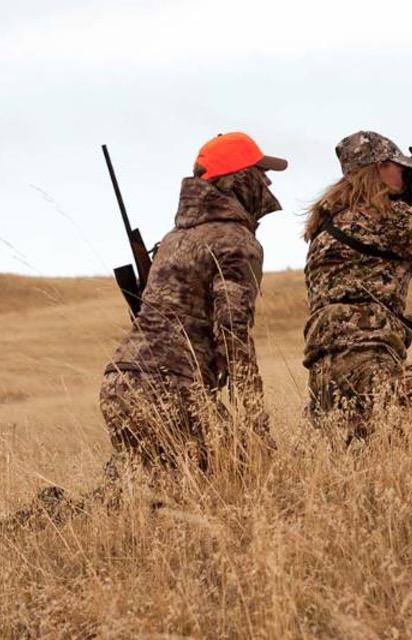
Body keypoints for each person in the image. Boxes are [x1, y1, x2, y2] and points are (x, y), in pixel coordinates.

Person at [100, 131, 287, 472]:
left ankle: (50, 517)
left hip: (119, 384)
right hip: (171, 385)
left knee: (142, 490)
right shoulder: (235, 242)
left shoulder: (173, 240)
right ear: (241, 180)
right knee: (241, 472)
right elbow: (233, 335)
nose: (268, 183)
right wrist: (256, 423)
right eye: (261, 173)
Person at [302, 131, 412, 441]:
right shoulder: (389, 217)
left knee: (365, 461)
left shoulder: (325, 226)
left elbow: (354, 291)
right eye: (399, 167)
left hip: (324, 377)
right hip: (369, 363)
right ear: (381, 167)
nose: (405, 174)